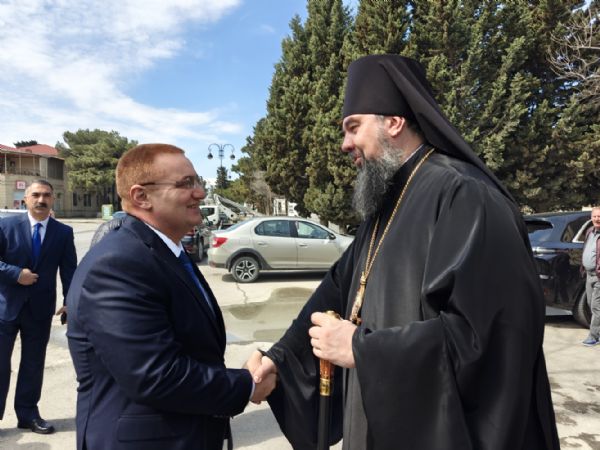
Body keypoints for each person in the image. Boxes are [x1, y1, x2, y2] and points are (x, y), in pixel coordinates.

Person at [247, 54, 560, 450]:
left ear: (393, 122)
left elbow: (494, 336)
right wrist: (278, 360)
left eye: (353, 127)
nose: (345, 144)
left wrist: (363, 349)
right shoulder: (387, 203)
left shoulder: (465, 194)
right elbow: (339, 289)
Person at [66, 143, 275, 450]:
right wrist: (246, 385)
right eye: (185, 183)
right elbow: (155, 375)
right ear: (142, 196)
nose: (200, 193)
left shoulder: (166, 251)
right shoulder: (118, 263)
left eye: (197, 181)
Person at [0, 180, 76, 434]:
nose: (41, 199)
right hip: (5, 308)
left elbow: (69, 270)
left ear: (53, 199)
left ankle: (28, 414)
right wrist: (16, 274)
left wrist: (70, 302)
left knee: (33, 364)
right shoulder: (6, 226)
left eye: (46, 195)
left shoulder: (63, 232)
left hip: (40, 310)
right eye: (36, 195)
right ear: (26, 199)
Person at [581, 206, 600, 346]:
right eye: (595, 216)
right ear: (591, 217)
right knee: (589, 303)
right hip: (589, 274)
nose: (597, 219)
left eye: (599, 216)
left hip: (599, 276)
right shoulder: (590, 231)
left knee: (596, 307)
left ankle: (594, 336)